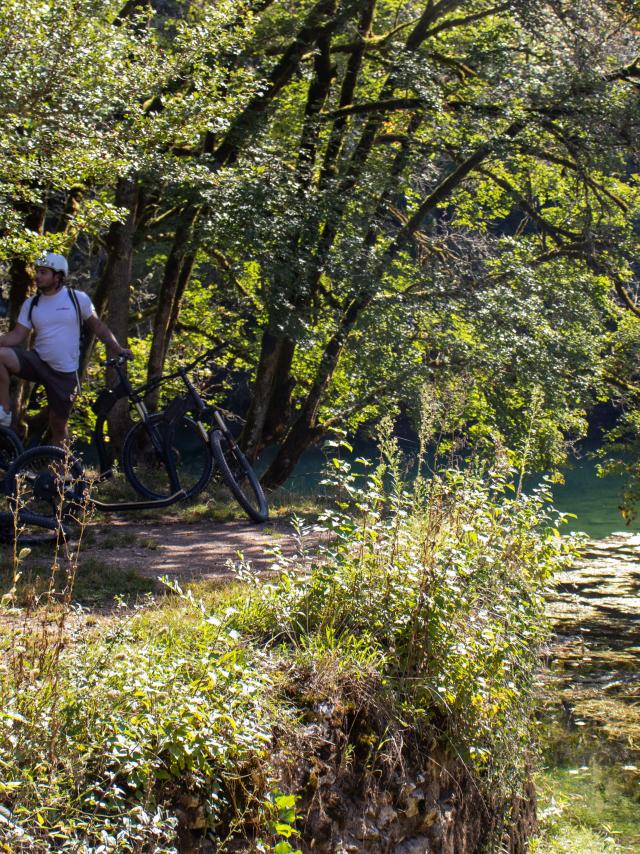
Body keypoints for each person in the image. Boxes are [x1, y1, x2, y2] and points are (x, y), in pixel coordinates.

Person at [0, 251, 131, 445]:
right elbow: (18, 335)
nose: (37, 276)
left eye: (43, 272)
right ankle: (4, 411)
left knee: (58, 425)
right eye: (37, 272)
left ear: (58, 276)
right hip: (38, 362)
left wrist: (118, 348)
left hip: (65, 373)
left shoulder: (77, 299)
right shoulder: (31, 303)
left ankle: (62, 472)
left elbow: (99, 327)